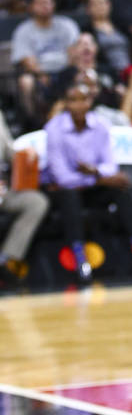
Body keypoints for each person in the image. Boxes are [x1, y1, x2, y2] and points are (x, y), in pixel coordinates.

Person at [43, 82, 132, 283]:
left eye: (83, 99)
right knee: (68, 193)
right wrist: (97, 176)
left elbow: (109, 165)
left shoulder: (101, 125)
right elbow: (61, 176)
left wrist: (95, 173)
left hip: (95, 185)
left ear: (90, 101)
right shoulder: (54, 129)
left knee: (122, 187)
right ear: (66, 104)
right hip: (69, 190)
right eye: (73, 101)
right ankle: (80, 259)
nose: (79, 105)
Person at [11, 0, 80, 127]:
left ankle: (80, 119)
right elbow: (28, 61)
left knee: (82, 75)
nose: (46, 6)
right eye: (41, 2)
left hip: (66, 71)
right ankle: (33, 125)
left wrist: (64, 72)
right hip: (39, 75)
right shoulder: (24, 30)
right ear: (31, 7)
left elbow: (74, 55)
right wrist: (42, 74)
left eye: (49, 2)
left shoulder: (66, 25)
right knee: (26, 81)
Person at [0, 107, 49, 287]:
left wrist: (23, 155)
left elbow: (7, 150)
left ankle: (6, 260)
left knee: (36, 202)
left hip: (3, 190)